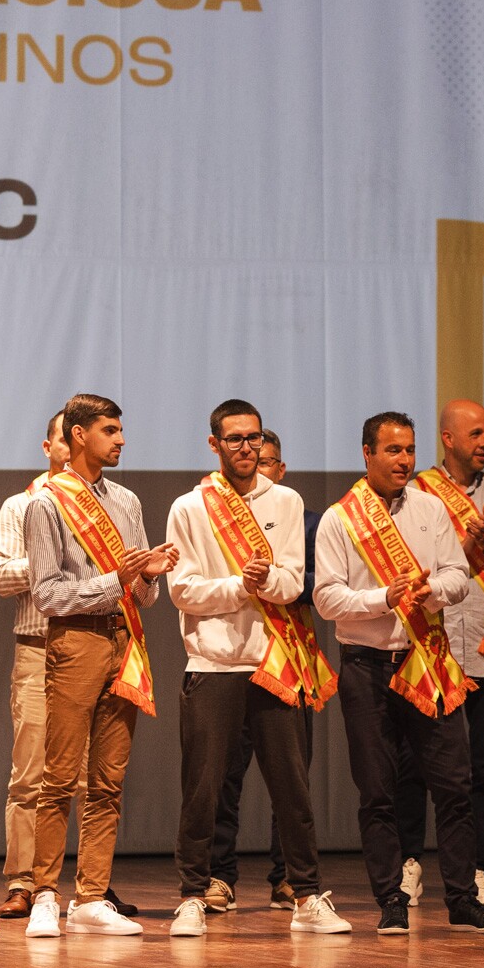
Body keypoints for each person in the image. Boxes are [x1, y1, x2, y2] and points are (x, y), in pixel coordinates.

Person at [314, 411, 484, 934]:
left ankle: (462, 899)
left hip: (427, 658)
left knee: (455, 786)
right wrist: (386, 597)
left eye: (410, 450)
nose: (404, 460)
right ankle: (391, 901)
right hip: (367, 668)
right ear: (367, 453)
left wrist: (430, 591)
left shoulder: (429, 508)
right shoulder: (340, 518)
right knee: (378, 791)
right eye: (393, 450)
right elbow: (327, 599)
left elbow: (459, 576)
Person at [166, 400, 348, 936]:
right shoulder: (190, 507)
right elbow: (182, 591)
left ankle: (307, 895)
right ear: (214, 444)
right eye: (234, 438)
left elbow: (292, 582)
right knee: (203, 788)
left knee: (292, 786)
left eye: (254, 438)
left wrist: (265, 580)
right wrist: (239, 587)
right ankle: (193, 895)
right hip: (213, 663)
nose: (245, 447)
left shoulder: (286, 501)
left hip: (275, 661)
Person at [24, 394, 176, 938]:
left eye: (120, 429)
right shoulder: (47, 502)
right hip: (76, 641)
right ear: (78, 434)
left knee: (108, 781)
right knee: (60, 776)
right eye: (110, 430)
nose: (121, 439)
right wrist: (118, 580)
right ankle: (44, 893)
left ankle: (90, 896)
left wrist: (149, 575)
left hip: (125, 638)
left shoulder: (127, 501)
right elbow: (47, 594)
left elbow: (144, 597)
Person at [401, 399, 484, 908]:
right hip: (436, 647)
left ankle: (475, 866)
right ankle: (409, 863)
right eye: (475, 434)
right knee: (416, 764)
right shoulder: (415, 496)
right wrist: (465, 548)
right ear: (447, 439)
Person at [208, 428, 320, 911]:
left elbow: (320, 581)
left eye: (268, 459)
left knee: (290, 781)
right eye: (250, 454)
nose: (257, 463)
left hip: (288, 657)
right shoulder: (212, 514)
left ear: (281, 468)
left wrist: (275, 579)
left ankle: (288, 876)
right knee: (224, 777)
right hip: (233, 657)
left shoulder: (303, 516)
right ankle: (219, 876)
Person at [0, 410, 71, 920]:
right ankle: (24, 881)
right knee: (31, 774)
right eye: (64, 439)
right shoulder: (20, 505)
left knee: (91, 776)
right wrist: (50, 560)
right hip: (38, 648)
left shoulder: (105, 509)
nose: (71, 449)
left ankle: (91, 886)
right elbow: (1, 577)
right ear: (48, 447)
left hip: (92, 647)